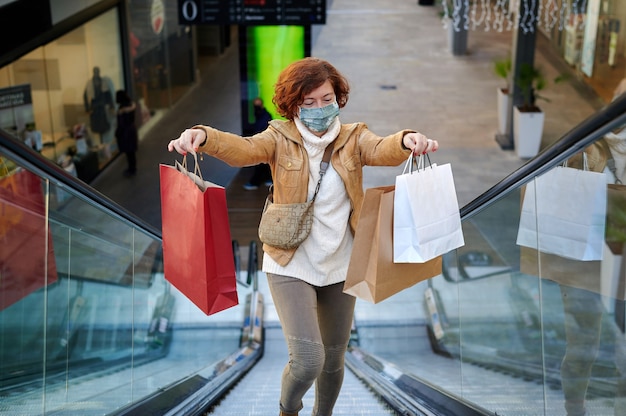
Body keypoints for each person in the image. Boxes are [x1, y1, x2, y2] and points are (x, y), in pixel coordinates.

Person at [167, 57, 438, 416]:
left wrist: (407, 140)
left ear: (338, 96)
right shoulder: (278, 137)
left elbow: (381, 148)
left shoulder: (354, 137)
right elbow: (244, 149)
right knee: (308, 360)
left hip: (341, 265)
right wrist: (204, 137)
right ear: (292, 105)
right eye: (308, 103)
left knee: (333, 361)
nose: (319, 109)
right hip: (289, 261)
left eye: (326, 99)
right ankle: (288, 410)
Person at [243, 97, 274, 190]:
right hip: (261, 143)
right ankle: (268, 179)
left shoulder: (265, 116)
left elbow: (263, 130)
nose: (256, 107)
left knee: (260, 163)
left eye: (257, 105)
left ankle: (255, 182)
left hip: (263, 143)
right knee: (264, 163)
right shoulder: (259, 115)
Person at [84, 66, 114, 144]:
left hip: (103, 106)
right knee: (96, 126)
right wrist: (87, 108)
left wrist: (111, 106)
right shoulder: (89, 83)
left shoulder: (103, 82)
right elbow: (85, 96)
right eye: (95, 71)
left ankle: (104, 144)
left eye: (97, 71)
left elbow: (108, 94)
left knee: (104, 125)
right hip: (94, 107)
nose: (96, 73)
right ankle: (100, 144)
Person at [114, 90, 138, 177]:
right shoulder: (130, 105)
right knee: (132, 153)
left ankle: (131, 169)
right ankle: (132, 168)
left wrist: (117, 133)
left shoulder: (122, 108)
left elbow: (121, 123)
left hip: (126, 133)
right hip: (131, 131)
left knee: (129, 153)